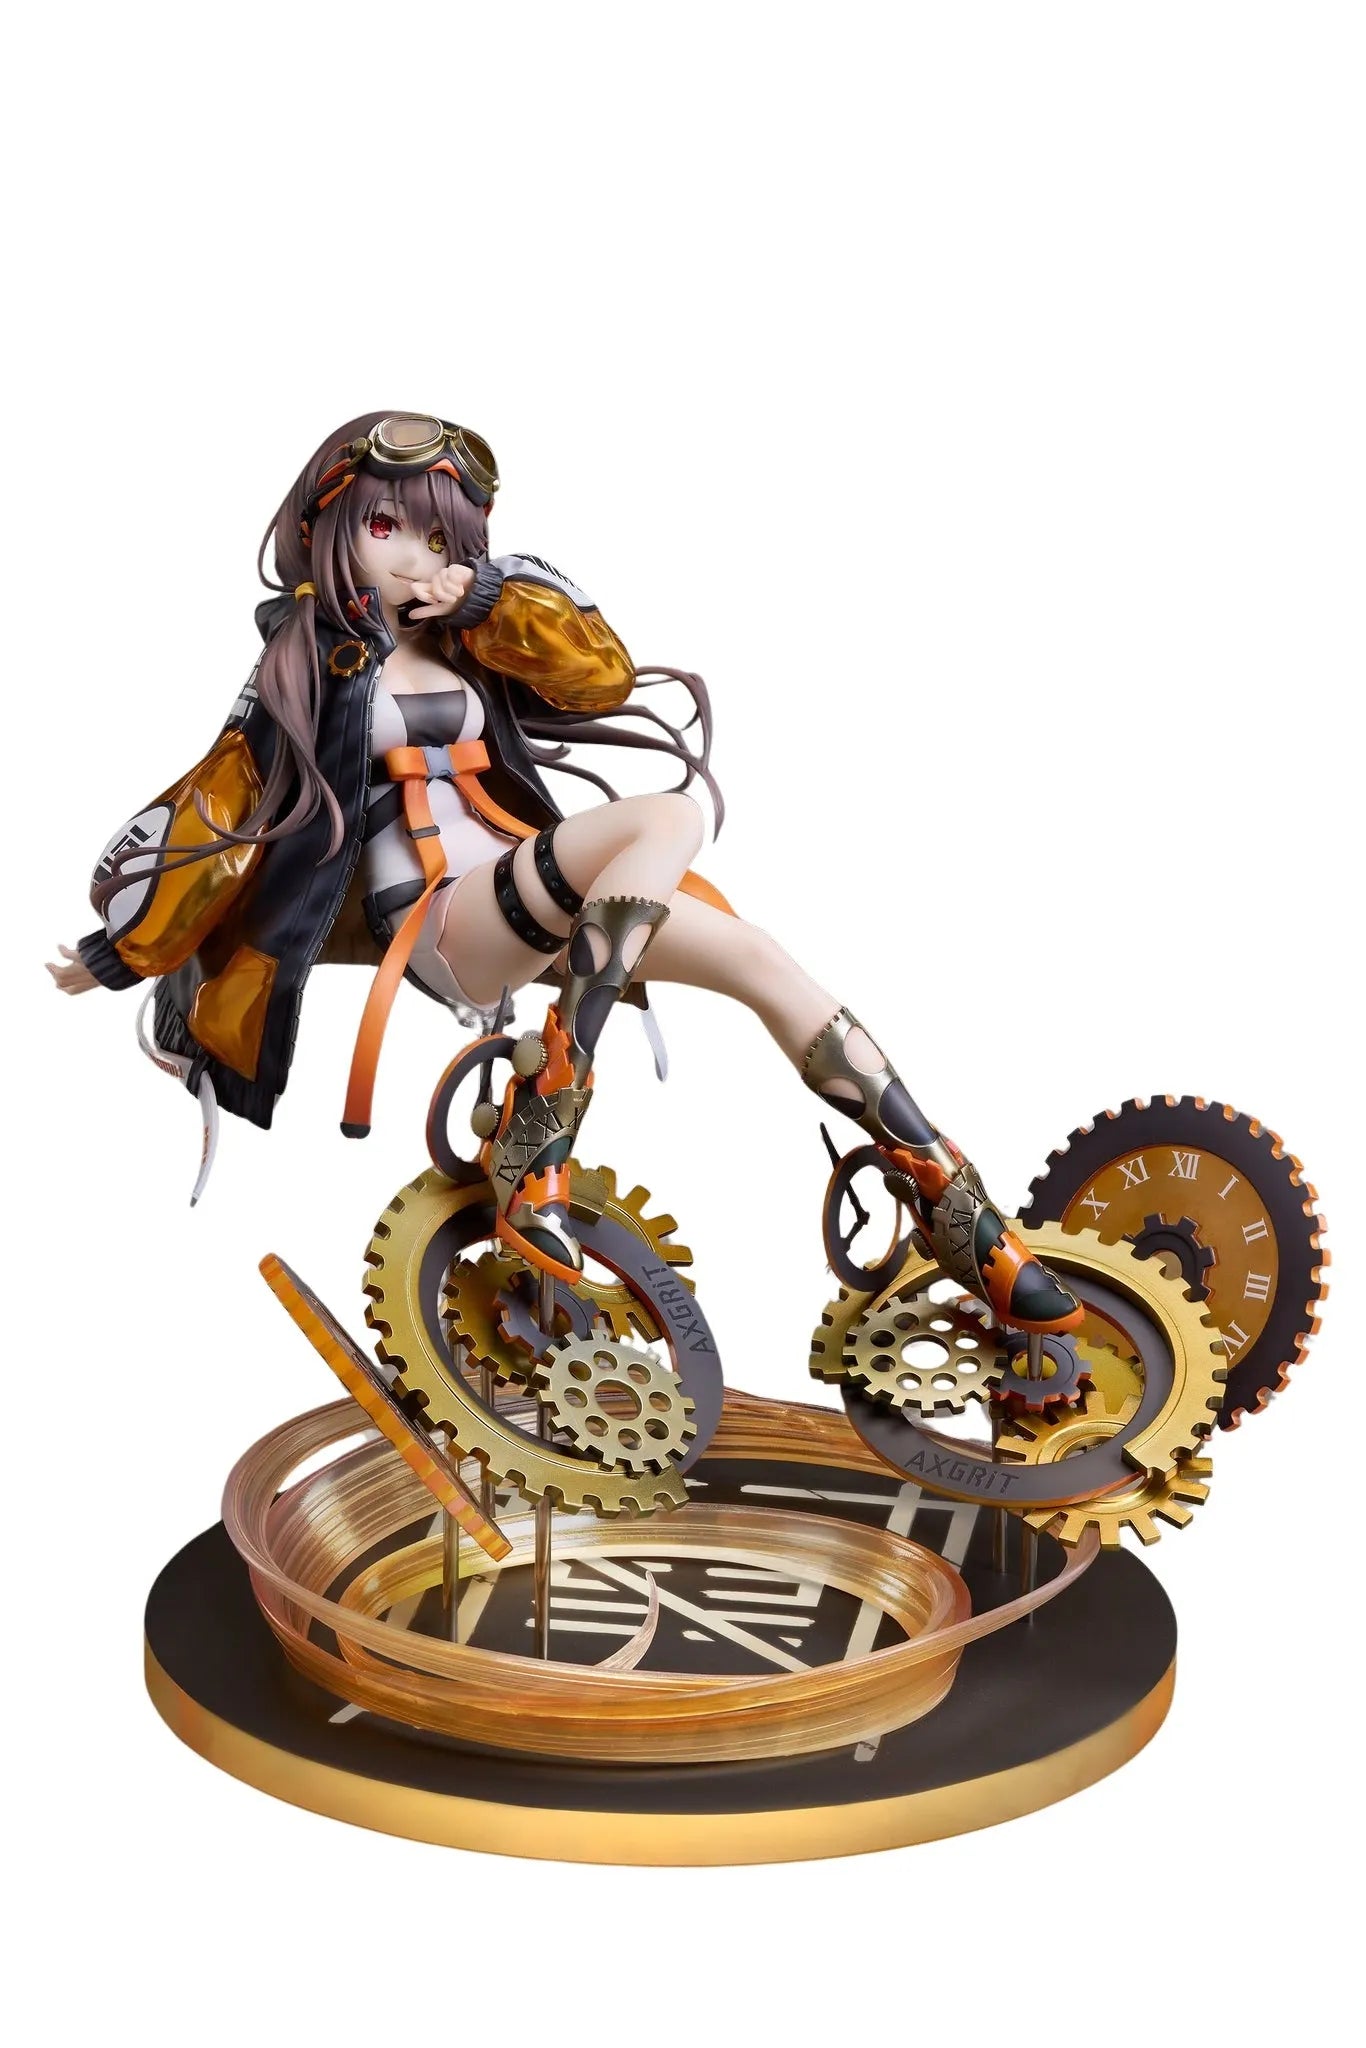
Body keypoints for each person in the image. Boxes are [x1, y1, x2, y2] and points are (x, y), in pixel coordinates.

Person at [48, 411, 1081, 1335]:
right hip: (441, 917)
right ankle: (539, 1140)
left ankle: (957, 1207)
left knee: (761, 960)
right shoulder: (306, 667)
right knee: (672, 814)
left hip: (535, 892)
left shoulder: (474, 635)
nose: (415, 556)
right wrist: (124, 949)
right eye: (387, 526)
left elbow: (601, 673)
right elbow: (222, 806)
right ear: (329, 526)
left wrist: (488, 600)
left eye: (441, 538)